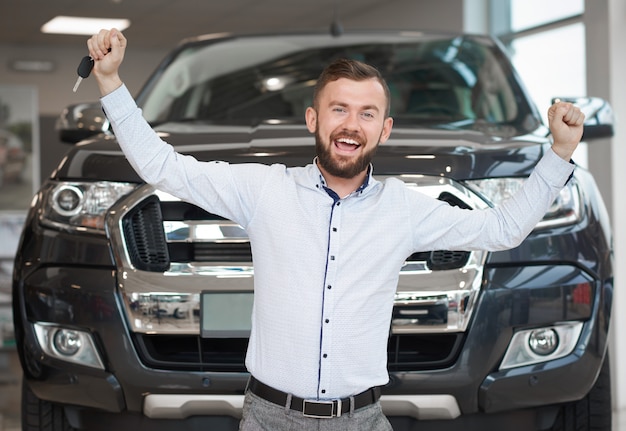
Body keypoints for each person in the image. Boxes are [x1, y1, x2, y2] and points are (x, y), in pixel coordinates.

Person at [87, 29, 584, 431]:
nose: (352, 124)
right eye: (339, 109)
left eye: (367, 113)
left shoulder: (403, 209)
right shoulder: (263, 190)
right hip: (267, 418)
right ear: (313, 119)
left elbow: (503, 227)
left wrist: (558, 153)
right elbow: (162, 165)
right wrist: (110, 81)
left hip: (362, 419)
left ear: (384, 129)